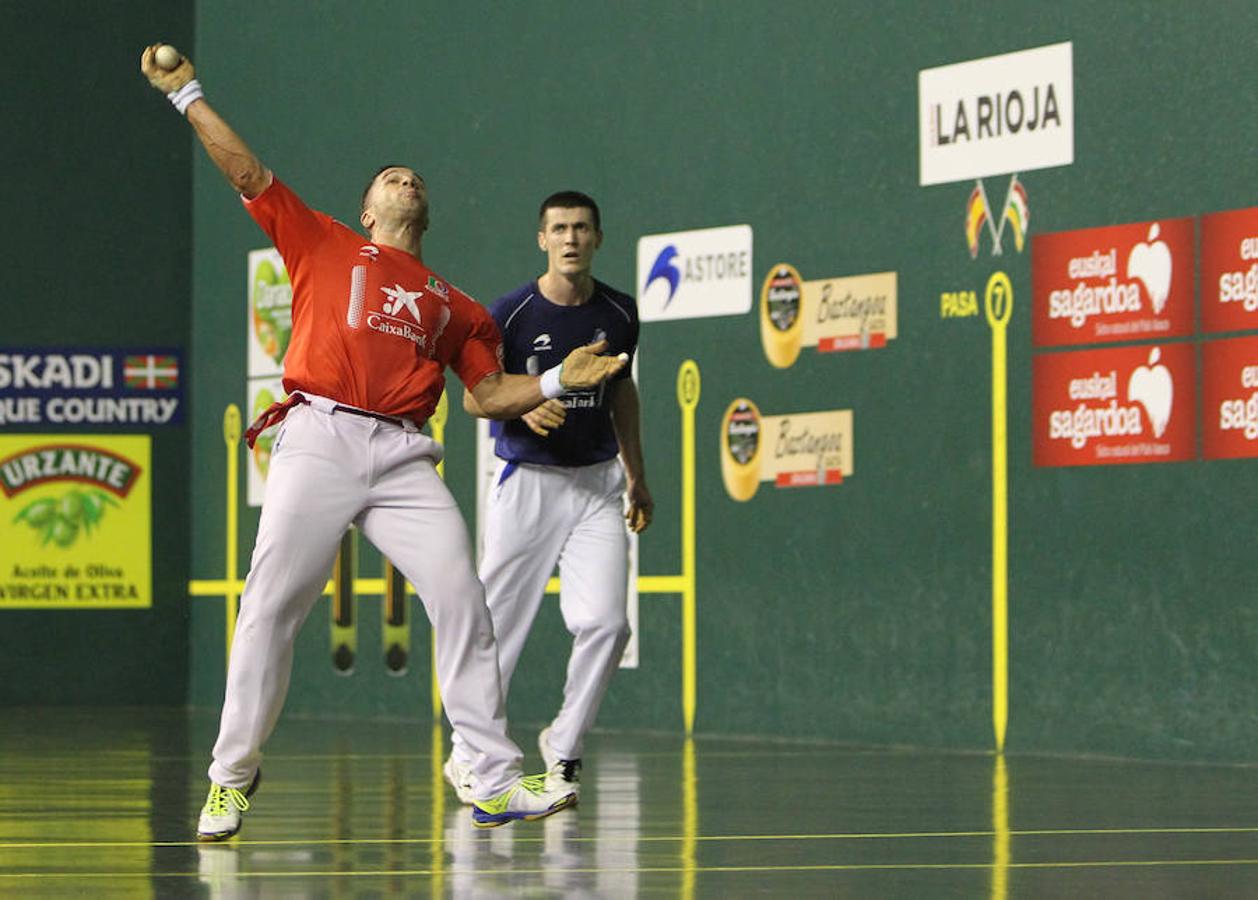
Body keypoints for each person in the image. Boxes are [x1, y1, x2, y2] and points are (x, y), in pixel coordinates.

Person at [139, 45, 627, 838]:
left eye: (416, 180)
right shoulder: (323, 242)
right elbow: (247, 173)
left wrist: (555, 382)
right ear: (367, 210)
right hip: (318, 436)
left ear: (424, 215)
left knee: (464, 599)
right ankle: (231, 777)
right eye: (391, 178)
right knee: (268, 607)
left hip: (404, 456)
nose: (407, 180)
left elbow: (486, 397)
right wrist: (184, 91)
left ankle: (492, 778)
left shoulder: (456, 305)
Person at [445, 191, 652, 804]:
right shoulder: (508, 313)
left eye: (582, 228)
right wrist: (522, 410)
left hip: (596, 486)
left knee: (608, 624)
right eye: (559, 229)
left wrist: (637, 473)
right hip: (527, 484)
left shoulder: (620, 312)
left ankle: (564, 745)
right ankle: (468, 756)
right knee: (497, 632)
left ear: (597, 238)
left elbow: (622, 394)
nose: (570, 239)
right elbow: (473, 397)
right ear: (542, 238)